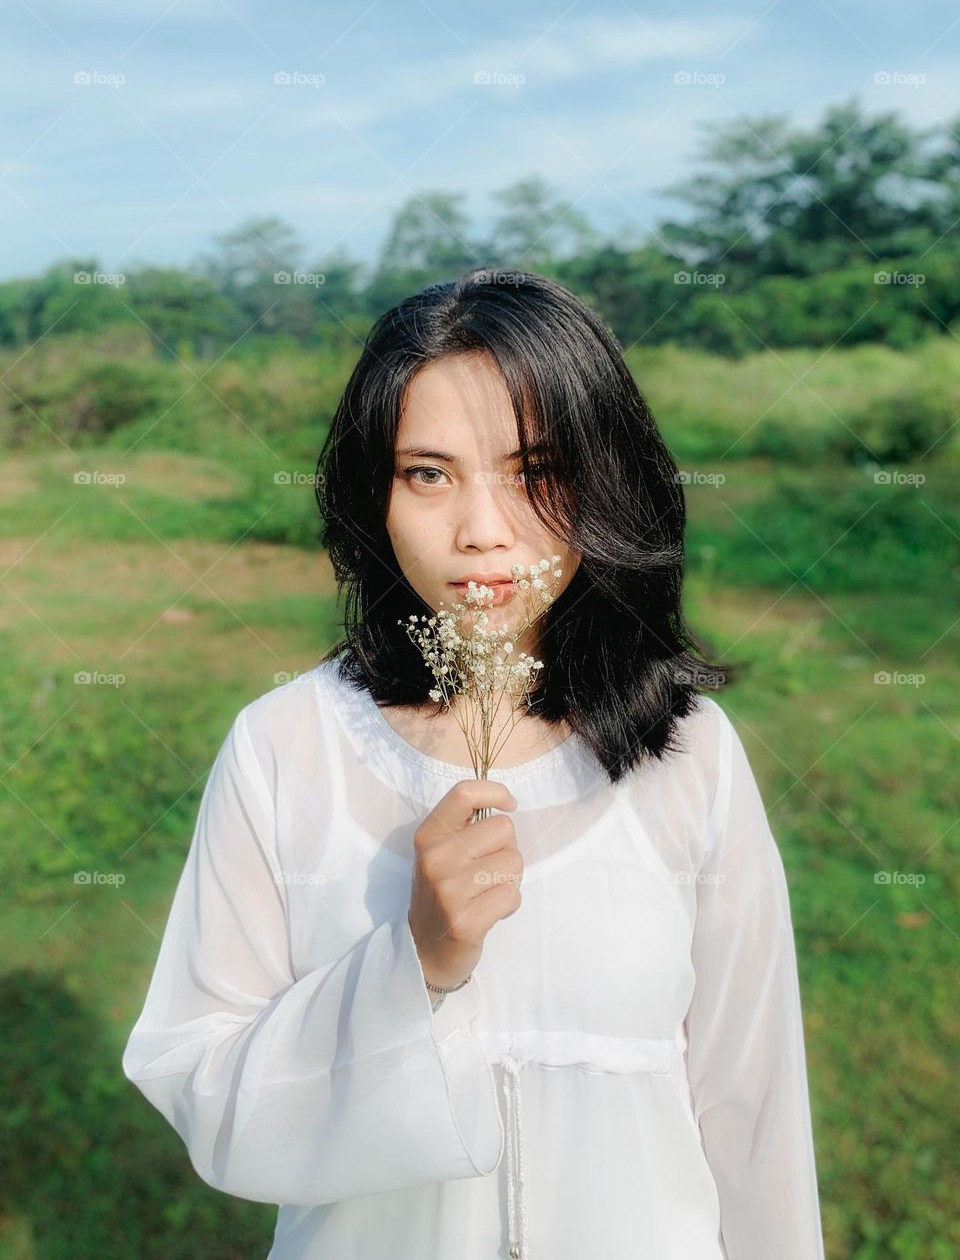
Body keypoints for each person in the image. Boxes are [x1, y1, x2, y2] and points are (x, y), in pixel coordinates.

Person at [122, 268, 827, 1259]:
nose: (481, 530)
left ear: (604, 478)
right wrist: (415, 961)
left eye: (533, 468)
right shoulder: (285, 746)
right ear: (374, 494)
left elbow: (752, 1106)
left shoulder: (688, 751)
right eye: (429, 472)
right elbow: (206, 1085)